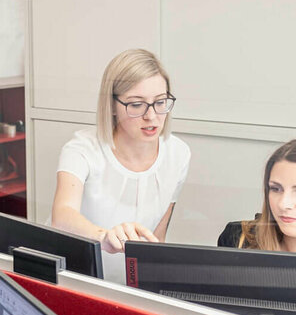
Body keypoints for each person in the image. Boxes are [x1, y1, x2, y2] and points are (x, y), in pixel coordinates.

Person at [51, 49, 191, 282]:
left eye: (160, 102)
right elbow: (62, 216)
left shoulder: (178, 154)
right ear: (112, 106)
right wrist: (104, 237)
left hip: (128, 284)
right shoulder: (81, 150)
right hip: (75, 277)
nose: (152, 116)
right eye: (137, 105)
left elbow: (157, 236)